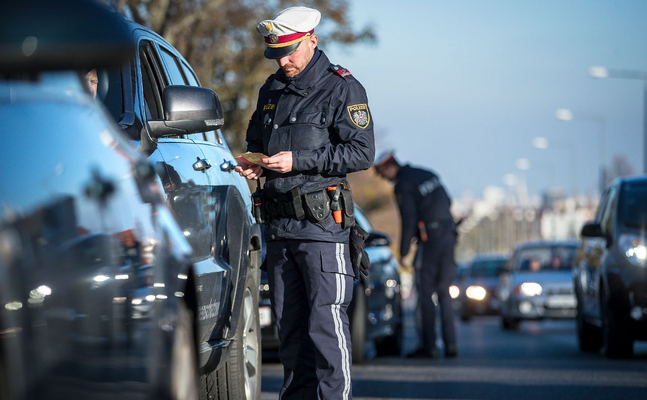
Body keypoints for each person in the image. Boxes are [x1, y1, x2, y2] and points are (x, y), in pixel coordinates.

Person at [235, 6, 374, 400]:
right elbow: (257, 144)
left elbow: (362, 153)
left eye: (290, 51)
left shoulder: (342, 88)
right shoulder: (270, 89)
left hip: (322, 230)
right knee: (291, 337)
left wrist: (300, 161)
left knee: (326, 332)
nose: (284, 60)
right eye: (276, 53)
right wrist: (256, 164)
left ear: (312, 40)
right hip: (279, 230)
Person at [374, 150, 457, 358]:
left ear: (390, 168)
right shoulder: (427, 173)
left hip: (429, 239)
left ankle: (428, 347)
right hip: (448, 234)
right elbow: (447, 201)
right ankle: (451, 344)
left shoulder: (404, 184)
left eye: (385, 176)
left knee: (425, 292)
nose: (387, 181)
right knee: (445, 291)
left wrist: (403, 253)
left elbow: (408, 219)